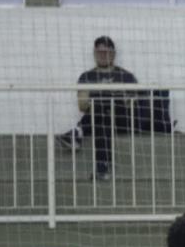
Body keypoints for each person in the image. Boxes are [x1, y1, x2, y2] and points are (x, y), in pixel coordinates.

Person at [54, 35, 143, 180]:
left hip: (122, 120)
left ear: (113, 53)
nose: (103, 55)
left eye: (106, 52)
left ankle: (77, 133)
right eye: (99, 52)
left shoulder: (125, 76)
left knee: (103, 105)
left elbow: (130, 105)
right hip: (101, 120)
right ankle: (102, 169)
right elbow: (82, 105)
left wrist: (106, 99)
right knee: (102, 117)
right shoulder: (87, 76)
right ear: (95, 54)